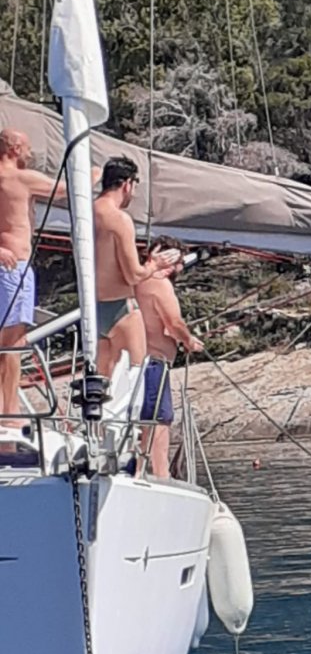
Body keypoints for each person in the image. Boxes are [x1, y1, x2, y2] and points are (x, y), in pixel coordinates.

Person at [0, 128, 94, 424]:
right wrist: (93, 171)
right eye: (27, 148)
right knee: (13, 342)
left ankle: (6, 409)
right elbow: (66, 190)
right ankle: (9, 412)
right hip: (13, 267)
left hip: (11, 265)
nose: (30, 154)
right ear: (14, 148)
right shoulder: (19, 178)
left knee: (8, 341)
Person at [93, 156, 177, 377]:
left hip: (93, 308)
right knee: (133, 380)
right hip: (120, 308)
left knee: (102, 386)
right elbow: (133, 275)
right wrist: (155, 264)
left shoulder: (86, 213)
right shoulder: (118, 219)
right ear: (127, 183)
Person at [134, 238, 203, 477]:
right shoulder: (159, 284)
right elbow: (173, 323)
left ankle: (140, 470)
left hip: (137, 362)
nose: (181, 268)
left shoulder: (138, 281)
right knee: (159, 419)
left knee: (146, 421)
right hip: (154, 362)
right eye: (179, 261)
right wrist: (188, 340)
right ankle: (162, 475)